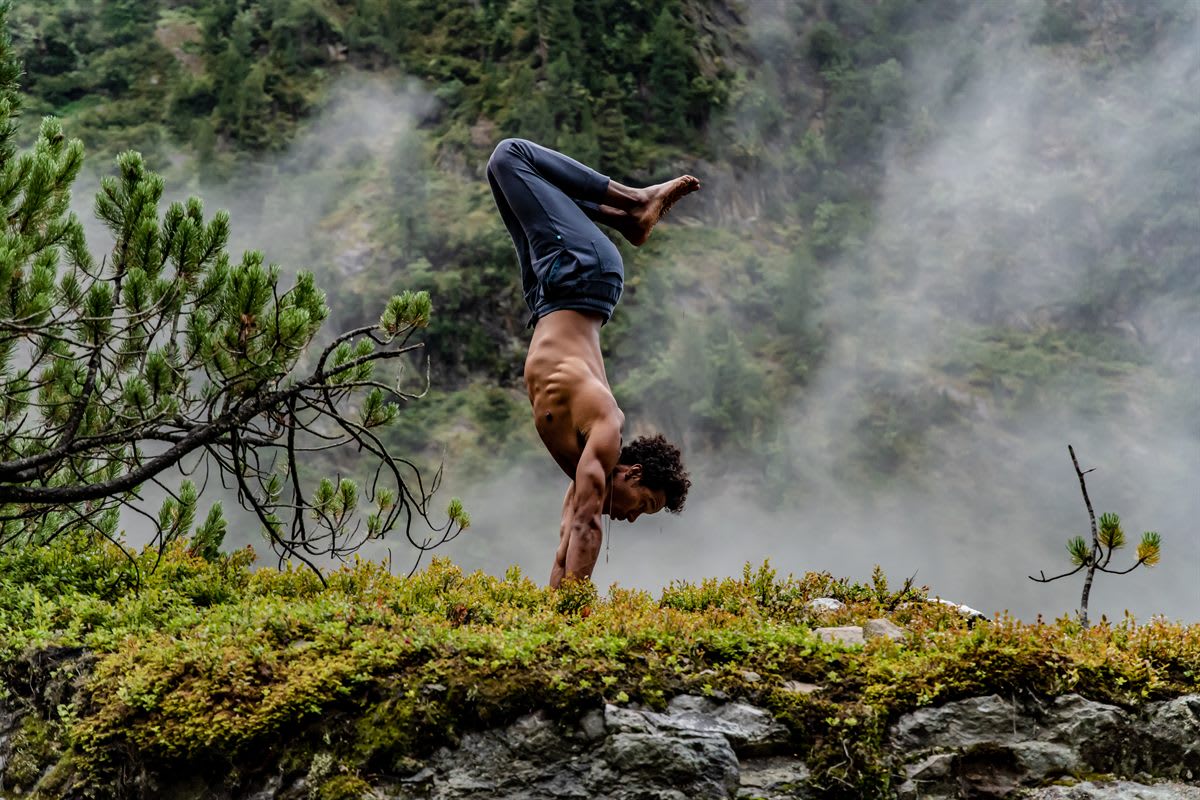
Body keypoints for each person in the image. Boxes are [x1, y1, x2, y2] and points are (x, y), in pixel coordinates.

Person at [486, 138, 697, 588]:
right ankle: (637, 204)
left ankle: (627, 218)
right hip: (582, 274)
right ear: (632, 473)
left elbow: (568, 537)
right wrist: (578, 617)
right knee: (509, 158)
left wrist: (557, 619)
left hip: (547, 293)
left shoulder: (585, 468)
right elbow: (588, 528)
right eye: (644, 503)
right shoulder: (603, 429)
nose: (634, 518)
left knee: (505, 179)